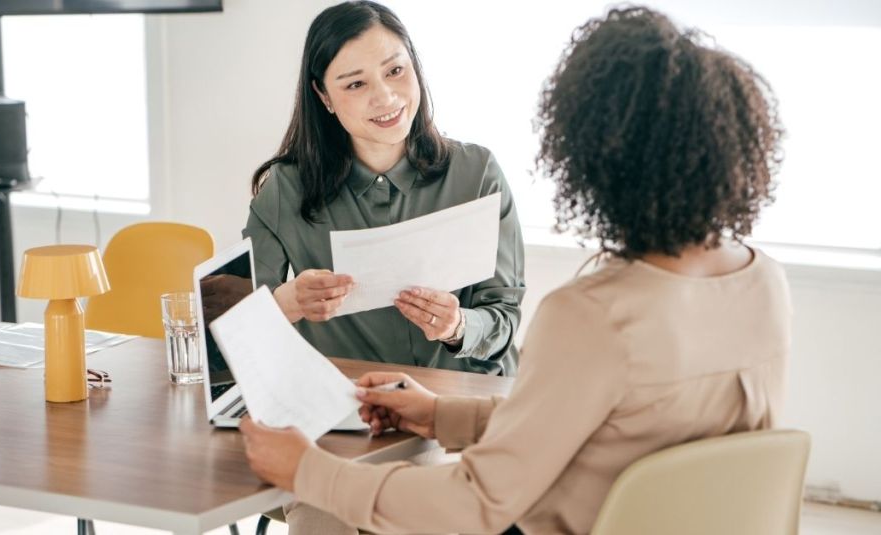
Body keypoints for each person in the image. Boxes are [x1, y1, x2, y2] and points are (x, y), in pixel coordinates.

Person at [239, 6, 789, 534]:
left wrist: (307, 470)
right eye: (356, 82)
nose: (383, 94)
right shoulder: (765, 282)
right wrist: (439, 415)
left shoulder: (588, 315)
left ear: (588, 160)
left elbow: (475, 504)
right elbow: (599, 430)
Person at [243, 1, 526, 378]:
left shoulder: (477, 174)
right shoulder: (285, 189)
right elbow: (239, 325)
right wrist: (288, 301)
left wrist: (457, 326)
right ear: (324, 96)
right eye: (356, 83)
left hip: (464, 404)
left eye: (395, 70)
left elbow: (504, 317)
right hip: (352, 409)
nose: (386, 97)